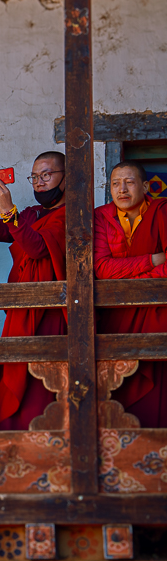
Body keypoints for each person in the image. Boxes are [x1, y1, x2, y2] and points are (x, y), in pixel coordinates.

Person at [0, 152, 68, 430]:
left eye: (47, 175)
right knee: (15, 377)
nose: (39, 183)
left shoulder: (73, 215)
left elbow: (38, 248)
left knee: (43, 385)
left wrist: (8, 211)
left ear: (67, 177)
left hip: (51, 314)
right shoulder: (33, 214)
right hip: (21, 311)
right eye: (34, 177)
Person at [95, 161, 167, 427]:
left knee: (157, 384)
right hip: (116, 316)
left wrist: (131, 278)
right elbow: (102, 269)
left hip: (156, 313)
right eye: (115, 183)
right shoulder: (100, 216)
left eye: (129, 182)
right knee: (117, 385)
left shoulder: (162, 210)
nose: (121, 189)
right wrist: (151, 260)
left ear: (146, 186)